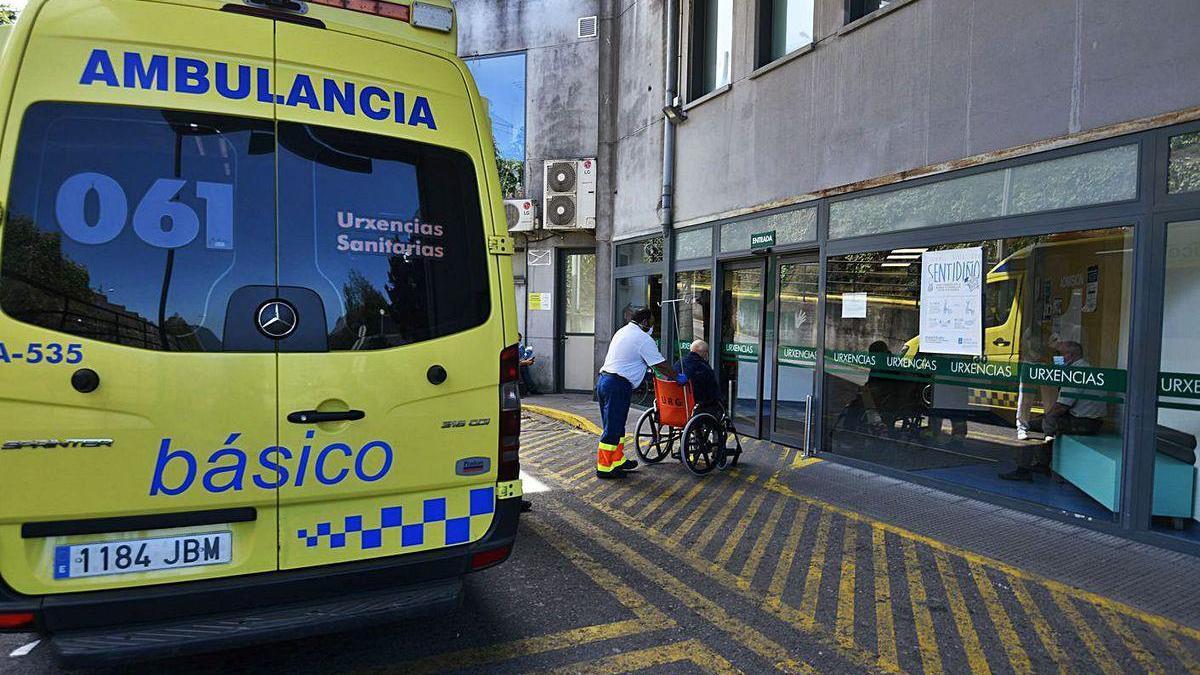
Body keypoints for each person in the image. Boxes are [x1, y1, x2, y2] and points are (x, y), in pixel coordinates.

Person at [596, 307, 682, 479]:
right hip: (617, 385)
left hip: (606, 381)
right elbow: (660, 365)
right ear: (644, 322)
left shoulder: (623, 331)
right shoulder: (642, 338)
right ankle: (604, 468)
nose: (652, 326)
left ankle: (617, 460)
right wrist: (676, 376)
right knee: (613, 428)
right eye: (651, 323)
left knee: (616, 425)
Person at [1000, 340, 1105, 481]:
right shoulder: (1085, 367)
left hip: (1084, 422)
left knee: (1033, 427)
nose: (1056, 358)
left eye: (1059, 354)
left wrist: (1046, 419)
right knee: (1044, 422)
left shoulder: (1075, 373)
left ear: (1070, 355)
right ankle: (1042, 464)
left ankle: (1023, 469)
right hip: (1091, 420)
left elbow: (1061, 407)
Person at [678, 340, 721, 414]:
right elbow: (713, 391)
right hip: (697, 404)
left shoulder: (679, 363)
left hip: (678, 402)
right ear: (705, 354)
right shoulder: (703, 367)